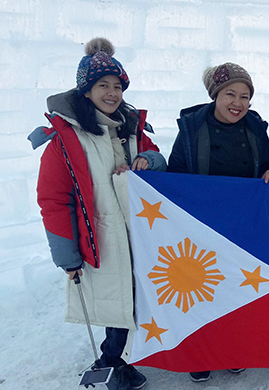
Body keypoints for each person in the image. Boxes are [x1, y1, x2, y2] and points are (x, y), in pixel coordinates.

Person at [28, 38, 167, 390]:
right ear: (86, 91)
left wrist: (147, 161)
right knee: (116, 301)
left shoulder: (130, 128)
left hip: (138, 232)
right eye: (102, 85)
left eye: (117, 86)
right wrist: (66, 254)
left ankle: (117, 358)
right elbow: (54, 199)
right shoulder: (66, 138)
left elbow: (159, 161)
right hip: (101, 237)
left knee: (134, 297)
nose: (111, 92)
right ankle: (112, 362)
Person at [167, 62, 269, 382]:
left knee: (234, 290)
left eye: (245, 96)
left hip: (243, 227)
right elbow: (176, 174)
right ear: (215, 95)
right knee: (201, 291)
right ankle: (201, 353)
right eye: (230, 94)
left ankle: (231, 348)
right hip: (202, 227)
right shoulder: (191, 128)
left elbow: (268, 165)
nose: (238, 103)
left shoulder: (255, 127)